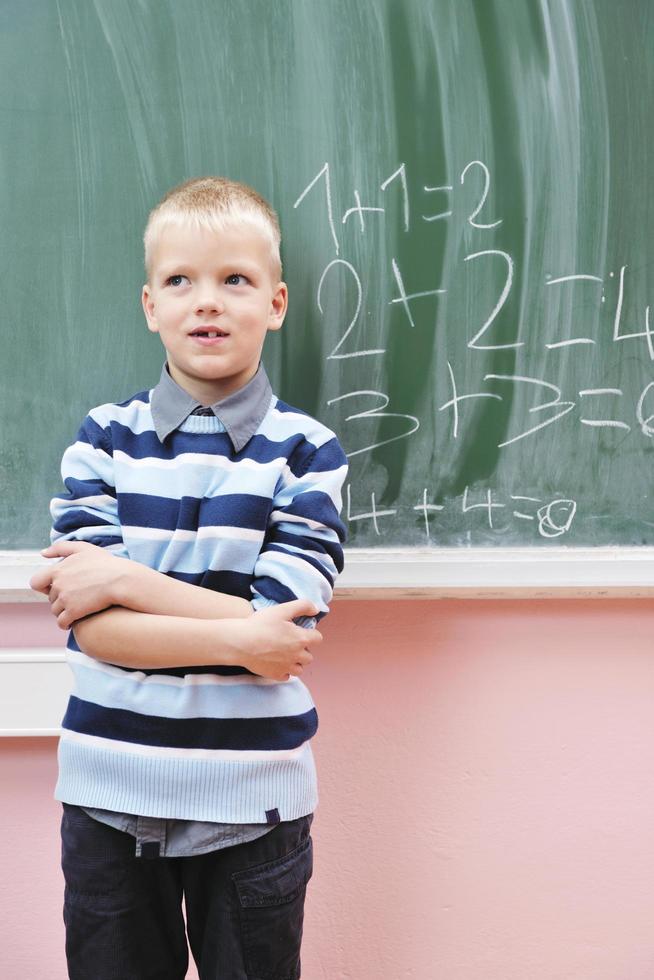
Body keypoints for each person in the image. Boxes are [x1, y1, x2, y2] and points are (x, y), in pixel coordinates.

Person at [30, 176, 348, 980]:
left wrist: (127, 582)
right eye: (181, 280)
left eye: (234, 279)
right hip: (108, 796)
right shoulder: (102, 441)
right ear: (149, 303)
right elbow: (96, 628)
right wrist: (241, 634)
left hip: (254, 806)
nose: (206, 302)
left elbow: (284, 627)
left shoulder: (309, 453)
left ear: (276, 303)